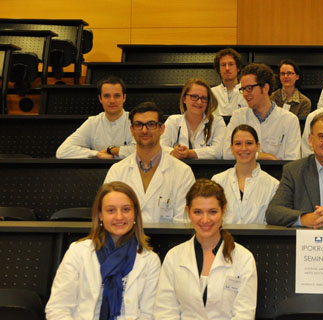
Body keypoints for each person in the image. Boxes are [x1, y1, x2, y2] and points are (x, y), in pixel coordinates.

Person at [46, 181, 160, 319]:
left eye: (126, 209)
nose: (119, 217)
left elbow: (150, 315)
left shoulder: (150, 260)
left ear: (135, 213)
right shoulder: (77, 252)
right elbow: (58, 308)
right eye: (111, 210)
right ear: (100, 215)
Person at [155, 179, 258, 319]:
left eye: (212, 212)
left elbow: (244, 315)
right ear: (188, 211)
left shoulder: (244, 259)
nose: (205, 220)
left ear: (224, 210)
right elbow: (165, 312)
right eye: (197, 212)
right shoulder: (174, 257)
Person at [104, 102, 195, 223]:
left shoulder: (183, 172)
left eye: (151, 124)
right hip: (125, 240)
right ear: (131, 129)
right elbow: (108, 215)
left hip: (169, 241)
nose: (144, 130)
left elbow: (184, 221)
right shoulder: (117, 171)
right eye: (138, 125)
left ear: (161, 129)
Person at [225, 63, 302, 160]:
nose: (244, 94)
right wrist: (264, 157)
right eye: (243, 89)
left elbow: (293, 159)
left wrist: (247, 154)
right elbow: (227, 152)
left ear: (265, 88)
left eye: (249, 88)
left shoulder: (290, 120)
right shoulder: (238, 116)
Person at [56, 76, 136, 159]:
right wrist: (97, 154)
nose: (112, 101)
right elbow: (62, 152)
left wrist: (110, 150)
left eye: (117, 96)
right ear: (100, 98)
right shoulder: (92, 123)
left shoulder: (135, 121)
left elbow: (144, 151)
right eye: (107, 96)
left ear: (124, 98)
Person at [212, 125, 279, 224]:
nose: (243, 148)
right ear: (231, 148)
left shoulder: (273, 185)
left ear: (258, 146)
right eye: (238, 144)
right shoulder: (217, 181)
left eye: (249, 143)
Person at [161, 78, 226, 159]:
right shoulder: (173, 121)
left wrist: (190, 153)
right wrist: (173, 152)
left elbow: (218, 151)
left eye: (203, 98)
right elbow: (159, 147)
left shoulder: (217, 122)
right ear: (184, 98)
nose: (199, 102)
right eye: (194, 97)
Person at [211, 48, 248, 116]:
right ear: (219, 69)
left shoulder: (248, 92)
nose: (227, 68)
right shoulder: (211, 93)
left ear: (238, 68)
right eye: (223, 65)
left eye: (231, 64)